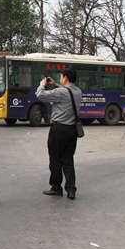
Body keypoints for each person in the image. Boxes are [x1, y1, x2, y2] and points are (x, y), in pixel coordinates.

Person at [35, 68, 82, 200]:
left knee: (55, 159)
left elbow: (40, 95)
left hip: (58, 129)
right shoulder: (78, 92)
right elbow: (66, 92)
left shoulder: (60, 92)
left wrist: (42, 85)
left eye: (61, 77)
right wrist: (55, 84)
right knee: (68, 160)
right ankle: (71, 190)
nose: (61, 79)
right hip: (72, 130)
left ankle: (56, 187)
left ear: (65, 78)